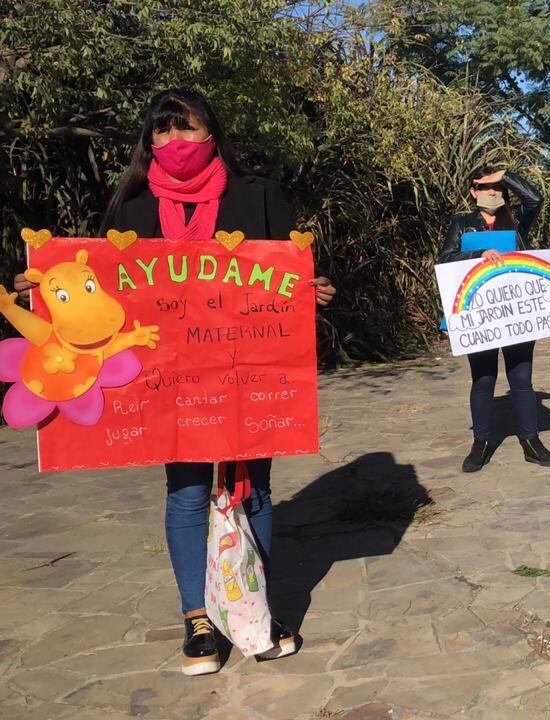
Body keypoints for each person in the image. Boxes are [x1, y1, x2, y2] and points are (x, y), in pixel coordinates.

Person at [16, 88, 337, 676]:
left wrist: (313, 291)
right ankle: (199, 620)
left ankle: (253, 611)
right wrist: (46, 291)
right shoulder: (131, 208)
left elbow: (289, 280)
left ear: (211, 133)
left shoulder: (260, 196)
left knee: (255, 489)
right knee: (187, 492)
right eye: (161, 132)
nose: (174, 143)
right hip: (169, 379)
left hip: (247, 374)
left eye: (185, 129)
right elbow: (101, 295)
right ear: (148, 142)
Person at [438, 167, 550, 472]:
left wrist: (505, 175)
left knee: (521, 380)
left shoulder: (516, 218)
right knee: (483, 379)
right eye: (486, 187)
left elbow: (536, 198)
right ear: (473, 192)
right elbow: (444, 258)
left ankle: (531, 442)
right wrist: (479, 254)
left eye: (498, 188)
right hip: (481, 315)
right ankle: (480, 443)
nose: (493, 193)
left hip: (517, 313)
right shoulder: (463, 223)